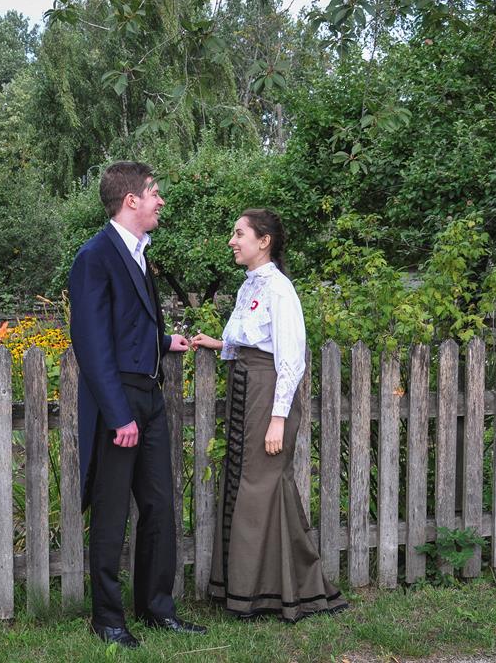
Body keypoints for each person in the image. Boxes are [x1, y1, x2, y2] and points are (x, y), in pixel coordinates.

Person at [68, 161, 207, 649]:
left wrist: (165, 341)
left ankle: (157, 609)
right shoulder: (94, 256)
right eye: (154, 192)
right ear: (131, 200)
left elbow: (129, 324)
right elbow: (91, 343)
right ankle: (107, 619)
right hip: (119, 402)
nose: (160, 201)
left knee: (159, 505)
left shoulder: (140, 253)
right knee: (111, 513)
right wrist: (117, 414)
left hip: (149, 395)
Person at [191, 208, 348, 622]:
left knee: (260, 486)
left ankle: (276, 590)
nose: (232, 241)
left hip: (268, 394)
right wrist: (219, 344)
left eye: (239, 233)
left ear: (264, 241)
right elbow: (252, 339)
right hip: (247, 388)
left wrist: (278, 418)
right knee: (249, 485)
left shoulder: (279, 289)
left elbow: (291, 358)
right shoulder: (250, 285)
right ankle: (261, 588)